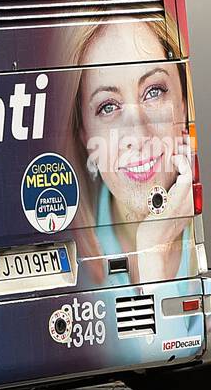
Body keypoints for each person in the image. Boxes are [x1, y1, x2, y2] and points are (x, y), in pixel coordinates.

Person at [63, 17, 194, 286]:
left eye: (154, 92)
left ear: (183, 104)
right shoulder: (69, 260)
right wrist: (152, 250)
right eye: (108, 107)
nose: (138, 135)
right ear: (84, 136)